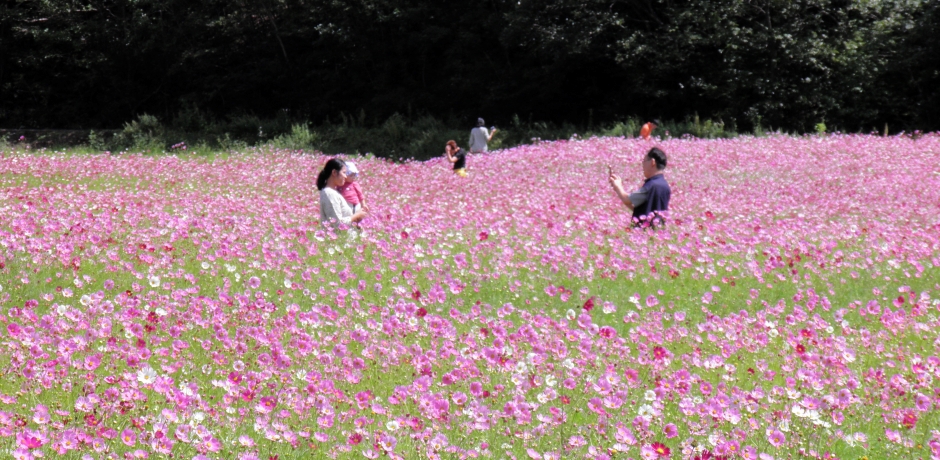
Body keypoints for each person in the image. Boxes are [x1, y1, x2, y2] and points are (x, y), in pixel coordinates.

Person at [608, 147, 671, 228]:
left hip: (644, 232)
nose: (642, 165)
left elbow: (626, 199)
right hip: (658, 232)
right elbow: (641, 208)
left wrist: (618, 186)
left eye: (644, 161)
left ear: (652, 162)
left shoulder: (651, 185)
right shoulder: (665, 185)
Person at [317, 159, 367, 230]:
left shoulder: (334, 192)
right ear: (334, 172)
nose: (345, 176)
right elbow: (336, 224)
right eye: (344, 173)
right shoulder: (330, 194)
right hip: (339, 238)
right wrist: (356, 216)